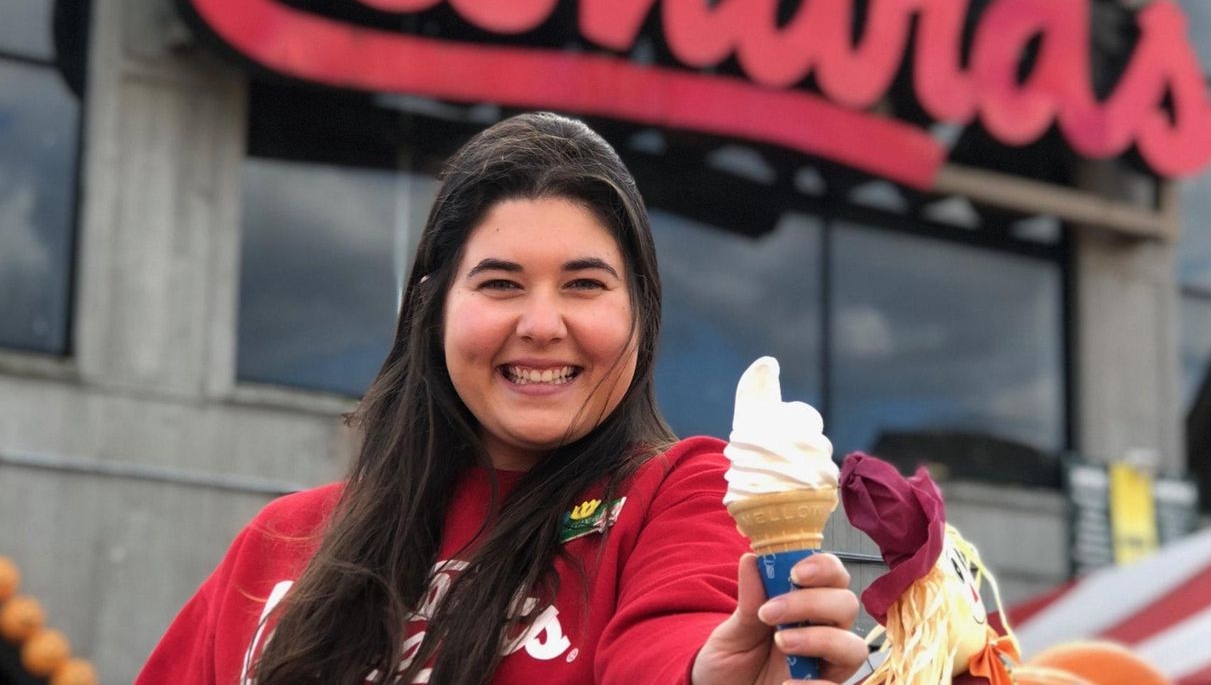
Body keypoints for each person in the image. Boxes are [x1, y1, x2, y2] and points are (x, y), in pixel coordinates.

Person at [137, 112, 868, 684]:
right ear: (433, 309)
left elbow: (678, 636)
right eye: (499, 284)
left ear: (641, 314)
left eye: (585, 285)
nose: (542, 325)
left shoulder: (680, 495)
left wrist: (713, 674)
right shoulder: (280, 542)